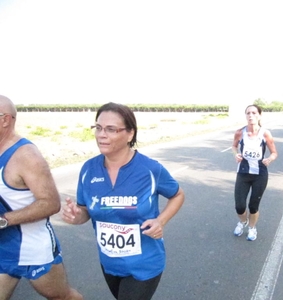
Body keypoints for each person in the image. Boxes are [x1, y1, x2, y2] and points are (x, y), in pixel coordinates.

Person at [62, 102, 185, 300]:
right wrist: (77, 216)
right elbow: (85, 210)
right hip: (109, 262)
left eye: (111, 129)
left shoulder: (149, 169)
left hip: (145, 264)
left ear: (129, 134)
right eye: (98, 128)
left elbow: (178, 195)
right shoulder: (88, 170)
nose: (101, 134)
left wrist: (160, 221)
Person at [0, 95, 83, 300]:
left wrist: (3, 221)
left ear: (4, 120)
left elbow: (51, 203)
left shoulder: (26, 156)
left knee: (62, 296)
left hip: (32, 249)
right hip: (3, 248)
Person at [232, 104, 278, 241]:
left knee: (253, 205)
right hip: (243, 173)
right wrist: (236, 154)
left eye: (253, 113)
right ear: (245, 116)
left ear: (259, 115)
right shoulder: (240, 132)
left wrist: (269, 159)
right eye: (248, 113)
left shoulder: (265, 133)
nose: (251, 115)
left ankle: (252, 228)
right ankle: (242, 222)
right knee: (239, 206)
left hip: (260, 174)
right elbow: (234, 146)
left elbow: (274, 152)